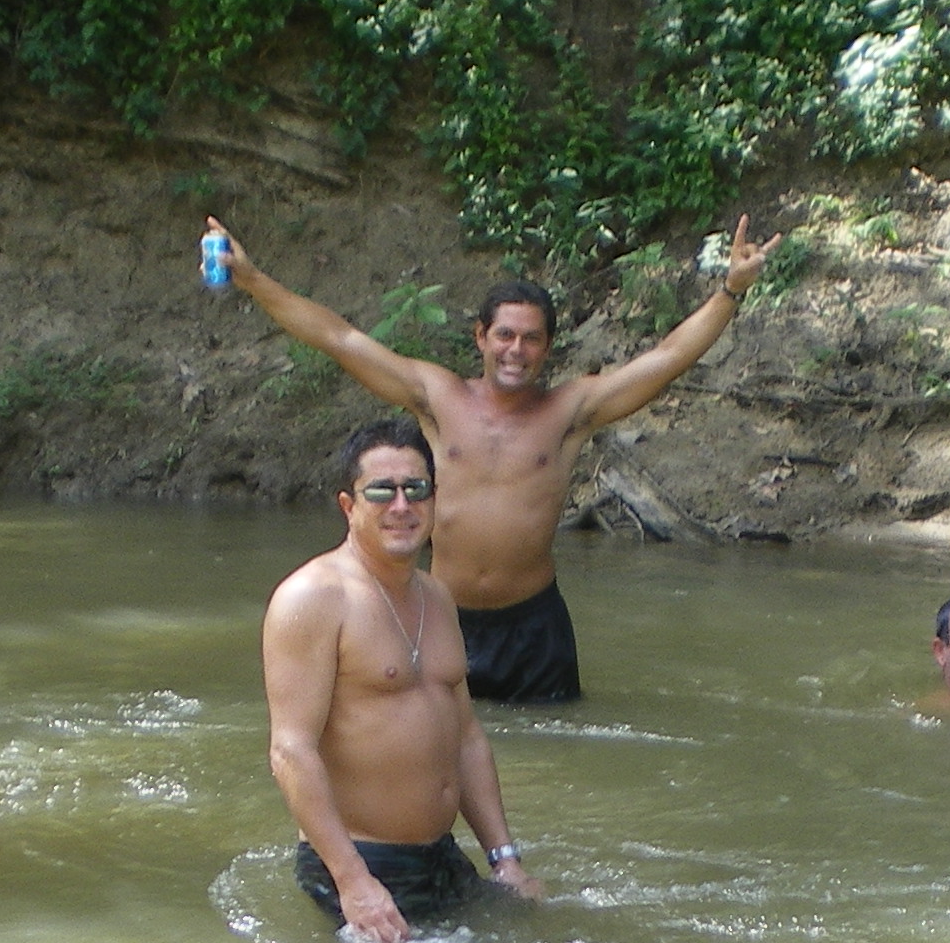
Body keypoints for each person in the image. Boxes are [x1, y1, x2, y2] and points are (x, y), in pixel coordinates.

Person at [206, 212, 779, 703]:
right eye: (505, 335)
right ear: (481, 337)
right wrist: (252, 280)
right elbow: (339, 338)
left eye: (531, 339)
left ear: (547, 348)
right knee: (436, 751)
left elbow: (669, 357)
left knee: (552, 758)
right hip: (441, 617)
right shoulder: (437, 397)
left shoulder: (571, 410)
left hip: (534, 627)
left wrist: (730, 291)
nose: (516, 350)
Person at [263, 417, 544, 943]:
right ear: (348, 505)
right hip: (361, 861)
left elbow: (465, 737)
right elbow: (291, 752)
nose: (401, 506)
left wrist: (504, 859)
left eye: (416, 490)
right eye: (381, 491)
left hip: (441, 857)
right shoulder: (314, 597)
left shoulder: (436, 596)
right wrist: (354, 882)